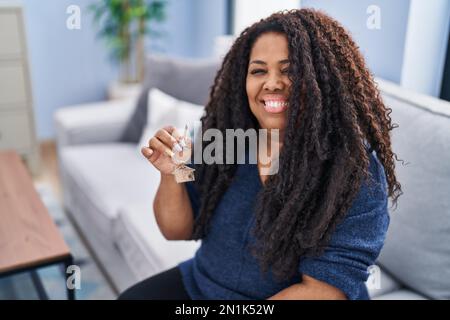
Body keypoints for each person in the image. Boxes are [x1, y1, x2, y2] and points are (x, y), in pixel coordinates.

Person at [118, 8, 402, 300]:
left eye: (290, 70)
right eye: (258, 70)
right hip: (203, 284)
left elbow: (322, 290)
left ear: (323, 79)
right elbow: (176, 230)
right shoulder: (225, 140)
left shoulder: (353, 170)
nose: (272, 83)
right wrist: (172, 173)